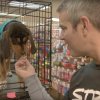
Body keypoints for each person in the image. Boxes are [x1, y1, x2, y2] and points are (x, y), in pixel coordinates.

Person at [15, 0, 100, 100]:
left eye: (64, 28)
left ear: (84, 25)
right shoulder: (80, 76)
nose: (61, 37)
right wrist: (31, 78)